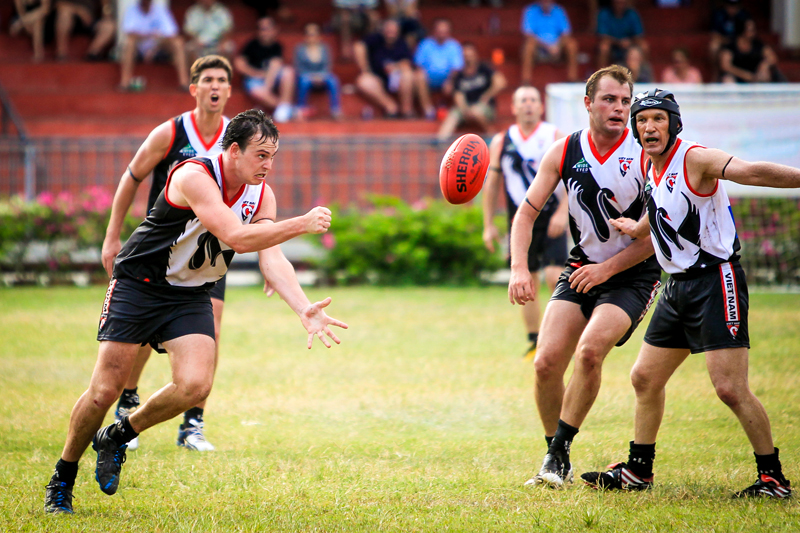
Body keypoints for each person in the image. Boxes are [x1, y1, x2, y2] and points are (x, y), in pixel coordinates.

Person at [44, 109, 348, 515]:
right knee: (104, 391)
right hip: (139, 285)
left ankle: (118, 435)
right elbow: (237, 237)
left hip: (188, 295)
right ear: (234, 150)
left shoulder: (263, 193)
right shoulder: (193, 176)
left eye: (273, 156)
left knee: (194, 385)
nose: (267, 165)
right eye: (260, 155)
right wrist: (303, 223)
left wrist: (303, 308)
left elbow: (270, 259)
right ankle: (62, 477)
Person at [581, 88, 798, 499]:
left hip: (716, 281)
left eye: (658, 119)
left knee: (730, 388)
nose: (649, 127)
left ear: (674, 123)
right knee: (645, 377)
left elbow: (750, 172)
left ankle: (773, 478)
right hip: (676, 285)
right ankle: (638, 472)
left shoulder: (695, 157)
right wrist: (638, 228)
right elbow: (661, 207)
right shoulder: (651, 163)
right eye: (642, 120)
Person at [507, 65, 661, 488]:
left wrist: (606, 270)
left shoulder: (647, 153)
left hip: (634, 274)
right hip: (582, 266)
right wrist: (519, 267)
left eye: (626, 102)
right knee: (544, 363)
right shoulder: (563, 150)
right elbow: (525, 214)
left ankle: (556, 455)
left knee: (590, 352)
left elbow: (659, 236)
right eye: (610, 99)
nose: (619, 108)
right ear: (589, 103)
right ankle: (555, 452)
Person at [101, 55, 234, 453]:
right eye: (207, 80)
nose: (215, 86)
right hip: (162, 254)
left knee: (210, 333)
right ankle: (127, 400)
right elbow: (132, 177)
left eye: (222, 80)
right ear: (194, 89)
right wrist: (112, 237)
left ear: (229, 90)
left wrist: (268, 258)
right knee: (143, 334)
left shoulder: (236, 139)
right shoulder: (171, 132)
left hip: (210, 254)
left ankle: (192, 424)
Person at [483, 86, 568, 360]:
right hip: (520, 219)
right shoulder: (501, 140)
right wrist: (488, 223)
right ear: (514, 107)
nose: (529, 105)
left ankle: (564, 336)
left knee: (555, 276)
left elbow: (571, 178)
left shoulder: (554, 136)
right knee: (525, 281)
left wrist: (563, 212)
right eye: (523, 101)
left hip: (551, 213)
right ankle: (534, 341)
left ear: (541, 107)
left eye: (533, 100)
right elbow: (492, 183)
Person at [436, 42, 507, 142]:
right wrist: (465, 109)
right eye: (465, 56)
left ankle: (493, 138)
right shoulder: (459, 75)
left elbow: (501, 82)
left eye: (470, 55)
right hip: (465, 107)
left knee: (477, 111)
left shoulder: (484, 69)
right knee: (452, 116)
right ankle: (439, 142)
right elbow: (458, 95)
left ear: (476, 55)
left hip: (484, 106)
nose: (468, 58)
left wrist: (486, 96)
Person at [234, 16, 295, 123]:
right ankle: (286, 108)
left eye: (267, 28)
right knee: (257, 91)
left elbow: (276, 65)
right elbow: (239, 64)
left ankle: (282, 108)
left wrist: (267, 81)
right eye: (262, 29)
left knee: (288, 71)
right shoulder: (252, 44)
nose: (264, 32)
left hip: (271, 79)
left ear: (274, 30)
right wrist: (256, 73)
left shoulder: (277, 46)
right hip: (255, 80)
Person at [119, 0, 189, 91]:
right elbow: (129, 33)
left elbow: (171, 33)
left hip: (158, 48)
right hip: (138, 49)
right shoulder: (132, 10)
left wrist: (155, 48)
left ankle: (184, 82)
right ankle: (125, 82)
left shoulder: (160, 10)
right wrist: (150, 35)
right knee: (129, 43)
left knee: (178, 42)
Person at [354, 18, 415, 118]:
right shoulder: (375, 39)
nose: (390, 32)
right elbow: (358, 46)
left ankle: (406, 110)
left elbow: (407, 62)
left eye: (393, 30)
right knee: (363, 81)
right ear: (383, 30)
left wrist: (395, 67)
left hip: (397, 79)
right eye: (388, 29)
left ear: (398, 31)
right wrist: (365, 69)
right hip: (377, 79)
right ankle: (391, 107)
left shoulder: (402, 43)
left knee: (408, 74)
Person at [413, 18, 463, 121]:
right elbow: (418, 65)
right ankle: (428, 110)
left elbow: (457, 68)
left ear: (449, 32)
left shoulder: (454, 45)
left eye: (444, 31)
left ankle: (454, 112)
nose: (441, 34)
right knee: (418, 75)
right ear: (434, 31)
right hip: (428, 80)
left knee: (458, 80)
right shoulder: (425, 44)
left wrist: (449, 81)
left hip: (448, 79)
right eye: (439, 31)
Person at [520, 0, 579, 84]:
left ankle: (572, 78)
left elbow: (566, 33)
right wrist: (547, 47)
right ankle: (526, 80)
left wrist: (557, 46)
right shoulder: (530, 10)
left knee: (572, 44)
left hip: (557, 48)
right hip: (538, 48)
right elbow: (528, 35)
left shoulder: (559, 10)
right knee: (528, 45)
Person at [294, 22, 342, 120]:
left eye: (314, 34)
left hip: (323, 75)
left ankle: (335, 109)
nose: (312, 37)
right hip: (306, 75)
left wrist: (321, 76)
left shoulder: (324, 48)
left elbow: (327, 65)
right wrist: (312, 76)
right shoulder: (300, 49)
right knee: (304, 81)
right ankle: (301, 109)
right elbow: (299, 67)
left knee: (333, 80)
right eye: (309, 34)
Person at [719, 18, 785, 84]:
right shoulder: (731, 45)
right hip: (737, 76)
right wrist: (745, 75)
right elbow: (725, 66)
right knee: (728, 80)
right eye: (750, 30)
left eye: (754, 29)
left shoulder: (757, 44)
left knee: (765, 74)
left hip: (755, 76)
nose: (753, 32)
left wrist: (765, 64)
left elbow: (773, 57)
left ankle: (761, 93)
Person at [596, 0, 648, 69]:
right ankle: (601, 75)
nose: (620, 5)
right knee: (604, 47)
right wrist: (619, 42)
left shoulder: (632, 14)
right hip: (612, 45)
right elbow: (603, 36)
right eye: (618, 3)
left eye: (622, 3)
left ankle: (642, 74)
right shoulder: (604, 13)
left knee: (644, 46)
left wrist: (629, 42)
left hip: (629, 45)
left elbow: (638, 35)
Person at [709, 0, 752, 81]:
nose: (732, 8)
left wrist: (737, 42)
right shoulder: (719, 14)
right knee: (713, 46)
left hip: (740, 43)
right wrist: (729, 41)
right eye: (730, 5)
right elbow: (714, 34)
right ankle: (716, 72)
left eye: (735, 5)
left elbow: (748, 32)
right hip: (725, 42)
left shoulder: (743, 15)